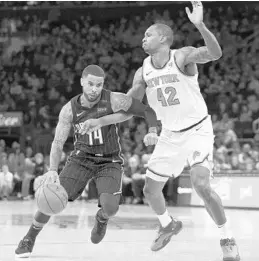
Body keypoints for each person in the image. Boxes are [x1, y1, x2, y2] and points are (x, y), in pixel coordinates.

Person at [79, 2, 240, 260]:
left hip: (197, 129)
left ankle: (227, 238)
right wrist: (99, 121)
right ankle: (167, 225)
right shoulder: (142, 71)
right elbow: (129, 108)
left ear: (163, 38)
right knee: (150, 190)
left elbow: (215, 53)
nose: (143, 39)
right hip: (170, 135)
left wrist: (200, 25)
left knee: (201, 185)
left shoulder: (182, 56)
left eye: (148, 35)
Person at [15, 64, 158, 258]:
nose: (94, 89)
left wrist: (151, 130)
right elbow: (57, 143)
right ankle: (29, 237)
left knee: (111, 207)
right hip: (81, 159)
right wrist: (52, 169)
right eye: (90, 84)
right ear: (82, 82)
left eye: (99, 85)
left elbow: (147, 111)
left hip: (109, 160)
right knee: (49, 197)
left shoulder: (114, 99)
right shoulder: (69, 110)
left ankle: (101, 218)